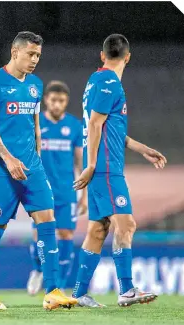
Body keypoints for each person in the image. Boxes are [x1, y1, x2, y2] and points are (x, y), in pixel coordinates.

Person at [0, 31, 78, 311]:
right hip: (1, 170)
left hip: (32, 168)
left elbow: (35, 126)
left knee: (48, 221)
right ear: (14, 51)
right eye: (30, 54)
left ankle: (53, 290)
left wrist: (37, 160)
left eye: (38, 56)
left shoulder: (35, 85)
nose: (35, 60)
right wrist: (9, 159)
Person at [72, 34, 167, 307]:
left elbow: (111, 131)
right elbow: (93, 126)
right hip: (105, 168)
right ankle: (126, 290)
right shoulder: (109, 83)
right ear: (128, 56)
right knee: (126, 224)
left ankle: (79, 294)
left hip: (103, 165)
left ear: (103, 55)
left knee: (98, 230)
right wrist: (91, 166)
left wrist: (142, 148)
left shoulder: (96, 80)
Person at [27, 81, 87, 295]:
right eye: (53, 100)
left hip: (66, 191)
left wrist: (84, 195)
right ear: (46, 100)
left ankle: (58, 287)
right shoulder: (35, 123)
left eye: (61, 100)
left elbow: (81, 163)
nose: (57, 104)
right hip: (40, 190)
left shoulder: (74, 126)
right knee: (39, 236)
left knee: (66, 234)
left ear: (66, 101)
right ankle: (37, 269)